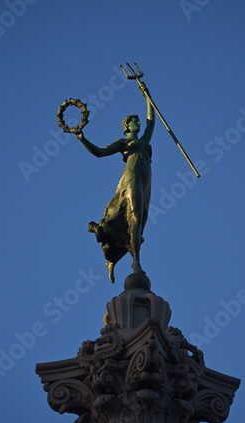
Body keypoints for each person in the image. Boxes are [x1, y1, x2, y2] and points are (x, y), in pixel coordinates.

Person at [75, 82, 155, 283]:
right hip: (131, 178)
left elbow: (151, 122)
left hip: (146, 182)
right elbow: (100, 153)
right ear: (128, 126)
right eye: (135, 120)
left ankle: (113, 260)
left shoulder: (145, 141)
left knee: (140, 222)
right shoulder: (123, 143)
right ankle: (136, 262)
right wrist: (82, 138)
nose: (139, 122)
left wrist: (147, 97)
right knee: (135, 217)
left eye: (138, 120)